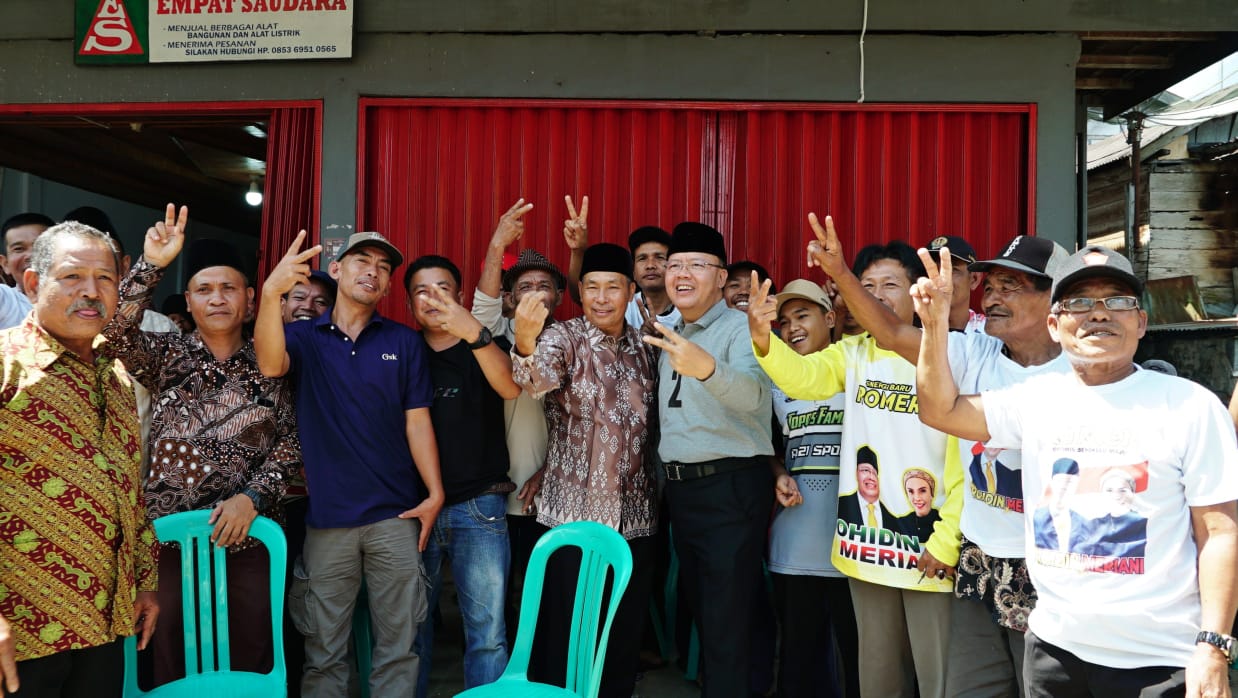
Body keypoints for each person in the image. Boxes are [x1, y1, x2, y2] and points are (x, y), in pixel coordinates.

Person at [914, 243, 1238, 697]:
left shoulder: (1190, 407)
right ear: (1055, 322)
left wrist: (1213, 645)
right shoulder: (1037, 399)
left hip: (1161, 660)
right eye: (1080, 303)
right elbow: (939, 410)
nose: (1099, 314)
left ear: (1141, 321)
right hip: (1054, 651)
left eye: (1118, 301)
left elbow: (1220, 533)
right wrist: (934, 325)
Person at [808, 219, 1071, 697]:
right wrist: (842, 274)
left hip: (1048, 568)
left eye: (1013, 285)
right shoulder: (976, 352)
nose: (992, 295)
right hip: (979, 559)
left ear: (1056, 302)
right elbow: (889, 332)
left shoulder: (1083, 374)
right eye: (992, 283)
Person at [749, 226, 958, 698]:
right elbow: (803, 379)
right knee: (878, 681)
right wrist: (765, 341)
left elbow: (961, 457)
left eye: (890, 285)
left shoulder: (948, 353)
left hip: (930, 551)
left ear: (916, 290)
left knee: (938, 679)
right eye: (867, 288)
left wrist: (947, 541)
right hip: (867, 554)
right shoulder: (854, 354)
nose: (878, 296)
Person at [102, 209, 298, 688]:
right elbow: (110, 333)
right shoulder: (167, 354)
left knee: (249, 654)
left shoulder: (272, 359)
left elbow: (291, 443)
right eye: (204, 290)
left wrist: (253, 497)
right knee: (171, 650)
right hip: (169, 539)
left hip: (250, 536)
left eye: (229, 288)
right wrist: (150, 264)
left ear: (251, 300)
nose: (217, 299)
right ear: (188, 300)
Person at [254, 230, 444, 697]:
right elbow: (269, 364)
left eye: (383, 267)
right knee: (323, 654)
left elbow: (416, 422)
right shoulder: (304, 337)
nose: (372, 271)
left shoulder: (403, 342)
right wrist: (270, 292)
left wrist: (435, 492)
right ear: (336, 270)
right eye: (362, 260)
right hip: (328, 522)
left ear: (386, 285)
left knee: (400, 650)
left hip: (396, 516)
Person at [0, 220, 159, 697]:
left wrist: (145, 581)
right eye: (72, 277)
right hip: (20, 632)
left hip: (103, 625)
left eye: (105, 279)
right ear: (32, 283)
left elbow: (129, 491)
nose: (91, 292)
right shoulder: (6, 365)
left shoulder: (116, 376)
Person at [512, 242, 658, 698]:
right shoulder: (564, 338)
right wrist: (523, 341)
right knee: (568, 629)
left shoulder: (648, 343)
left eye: (612, 287)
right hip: (571, 513)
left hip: (635, 514)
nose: (601, 297)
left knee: (621, 628)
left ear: (630, 291)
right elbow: (535, 382)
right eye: (591, 287)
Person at [641, 222, 774, 698]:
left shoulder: (744, 331)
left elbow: (758, 398)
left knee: (725, 618)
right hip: (683, 491)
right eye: (674, 265)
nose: (681, 274)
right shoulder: (666, 328)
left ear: (721, 278)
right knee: (706, 609)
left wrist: (708, 368)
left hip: (731, 485)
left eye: (696, 265)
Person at [406, 255, 520, 696]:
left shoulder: (485, 346)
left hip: (480, 504)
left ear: (459, 295)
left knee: (487, 633)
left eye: (442, 288)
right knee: (411, 630)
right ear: (409, 303)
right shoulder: (402, 350)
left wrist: (472, 331)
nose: (432, 298)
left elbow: (511, 387)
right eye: (421, 290)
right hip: (413, 509)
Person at [469, 201, 566, 634]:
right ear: (510, 298)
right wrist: (497, 245)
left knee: (547, 591)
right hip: (496, 494)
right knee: (500, 597)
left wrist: (551, 470)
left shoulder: (573, 344)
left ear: (558, 297)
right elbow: (482, 309)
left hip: (554, 494)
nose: (533, 292)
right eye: (523, 285)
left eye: (543, 285)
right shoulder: (496, 342)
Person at [764, 279, 860, 698]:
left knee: (858, 659)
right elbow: (763, 446)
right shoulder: (776, 384)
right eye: (783, 322)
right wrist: (777, 472)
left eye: (802, 316)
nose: (792, 328)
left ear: (831, 318)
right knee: (798, 661)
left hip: (854, 549)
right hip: (795, 545)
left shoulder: (859, 372)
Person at [0, 212, 53, 328]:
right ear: (5, 264)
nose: (30, 255)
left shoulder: (84, 297)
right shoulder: (5, 298)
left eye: (40, 247)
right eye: (19, 249)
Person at [924, 235, 984, 332]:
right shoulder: (910, 329)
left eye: (952, 270)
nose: (939, 278)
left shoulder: (992, 333)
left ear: (974, 279)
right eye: (932, 269)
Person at [1031, 459, 1086, 553]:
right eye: (1060, 480)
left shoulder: (1083, 522)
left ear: (1076, 484)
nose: (1064, 486)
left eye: (1069, 481)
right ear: (1052, 482)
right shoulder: (1037, 517)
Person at [897, 469, 943, 543]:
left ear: (932, 493)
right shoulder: (902, 522)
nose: (917, 498)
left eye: (922, 491)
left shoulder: (943, 521)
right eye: (911, 491)